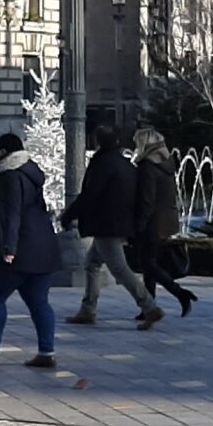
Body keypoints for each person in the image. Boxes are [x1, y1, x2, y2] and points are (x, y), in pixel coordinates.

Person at [0, 131, 61, 369]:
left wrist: (8, 248)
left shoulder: (9, 176)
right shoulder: (31, 173)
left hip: (19, 247)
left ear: (4, 152)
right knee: (39, 302)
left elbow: (11, 214)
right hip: (43, 247)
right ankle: (46, 351)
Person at [61, 123, 160, 329]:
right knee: (92, 263)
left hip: (106, 224)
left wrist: (69, 214)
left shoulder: (102, 164)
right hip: (117, 222)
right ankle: (88, 309)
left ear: (97, 141)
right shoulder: (124, 164)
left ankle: (149, 306)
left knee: (119, 269)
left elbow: (90, 195)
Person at [131, 126, 198, 316]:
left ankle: (180, 293)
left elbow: (146, 200)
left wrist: (139, 225)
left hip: (153, 223)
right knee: (149, 265)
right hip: (167, 221)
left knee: (150, 264)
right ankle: (149, 307)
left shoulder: (147, 168)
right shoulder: (166, 164)